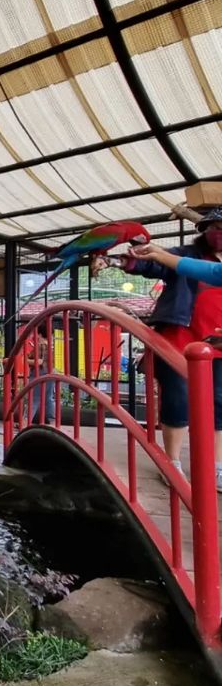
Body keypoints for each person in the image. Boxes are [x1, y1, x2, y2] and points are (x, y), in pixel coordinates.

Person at [94, 207, 222, 482]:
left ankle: (216, 466)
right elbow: (151, 262)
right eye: (216, 227)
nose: (220, 233)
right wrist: (118, 262)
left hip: (219, 346)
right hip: (179, 343)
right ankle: (172, 461)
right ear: (205, 232)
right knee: (178, 400)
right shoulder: (186, 256)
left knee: (220, 403)